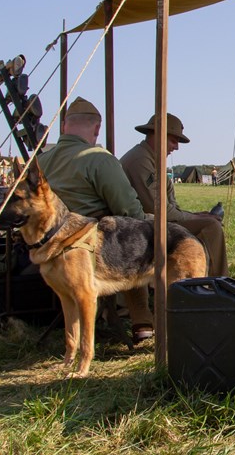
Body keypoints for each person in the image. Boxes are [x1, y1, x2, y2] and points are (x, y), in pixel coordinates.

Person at [37, 96, 154, 344]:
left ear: (64, 127)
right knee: (138, 234)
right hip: (90, 247)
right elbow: (128, 209)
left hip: (50, 249)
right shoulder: (98, 158)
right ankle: (143, 320)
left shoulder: (41, 161)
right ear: (97, 128)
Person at [120, 113, 229, 277]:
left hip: (146, 224)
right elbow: (160, 210)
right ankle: (219, 283)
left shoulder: (149, 158)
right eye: (173, 140)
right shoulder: (141, 161)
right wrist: (196, 218)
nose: (176, 147)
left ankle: (200, 280)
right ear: (157, 135)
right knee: (211, 226)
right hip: (140, 229)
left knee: (207, 221)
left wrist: (195, 216)